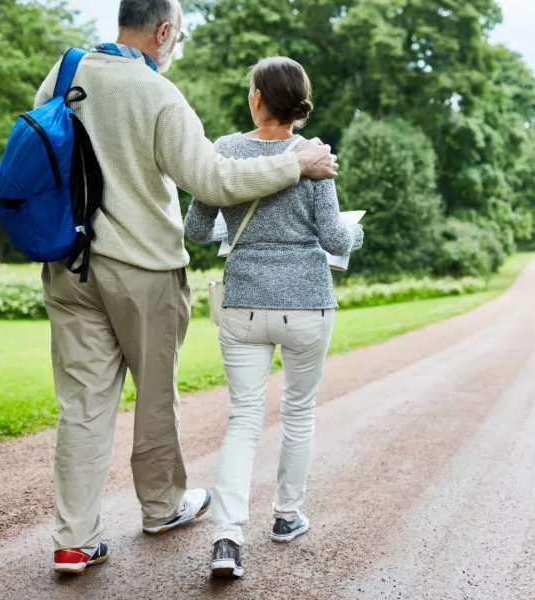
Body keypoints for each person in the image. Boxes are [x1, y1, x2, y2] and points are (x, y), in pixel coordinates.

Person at [37, 0, 339, 575]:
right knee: (154, 396)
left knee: (81, 404)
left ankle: (74, 540)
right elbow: (212, 180)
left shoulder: (64, 72)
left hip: (69, 263)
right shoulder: (156, 94)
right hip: (142, 267)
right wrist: (295, 164)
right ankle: (162, 506)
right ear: (164, 30)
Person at [184, 56, 364, 579]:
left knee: (243, 420)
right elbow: (334, 238)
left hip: (244, 305)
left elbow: (196, 230)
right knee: (299, 413)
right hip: (308, 304)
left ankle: (226, 539)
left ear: (257, 99)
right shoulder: (313, 154)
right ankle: (286, 517)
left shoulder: (223, 150)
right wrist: (356, 234)